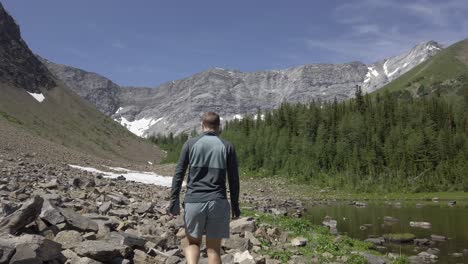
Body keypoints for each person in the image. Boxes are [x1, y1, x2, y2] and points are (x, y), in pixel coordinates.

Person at [168, 111, 241, 264]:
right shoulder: (227, 146)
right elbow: (233, 179)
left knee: (193, 243)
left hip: (194, 202)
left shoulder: (190, 144)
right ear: (219, 127)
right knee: (213, 250)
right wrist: (235, 205)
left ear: (202, 126)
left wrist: (174, 201)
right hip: (218, 202)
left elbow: (179, 174)